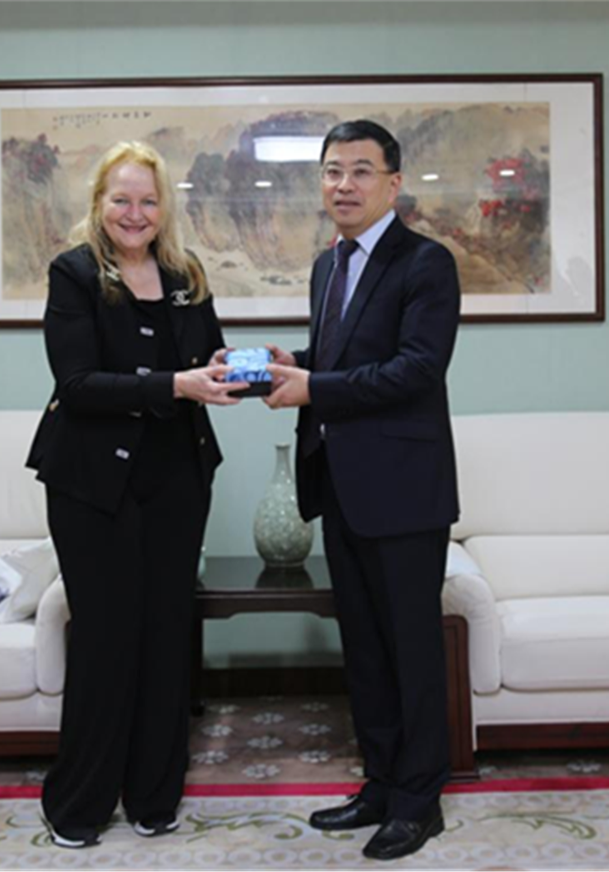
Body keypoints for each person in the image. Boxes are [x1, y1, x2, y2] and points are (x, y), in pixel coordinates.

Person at [25, 141, 245, 848]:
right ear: (99, 203)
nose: (134, 213)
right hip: (93, 486)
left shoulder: (186, 274)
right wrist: (176, 384)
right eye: (121, 199)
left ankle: (155, 796)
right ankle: (79, 804)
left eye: (148, 201)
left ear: (164, 208)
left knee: (166, 636)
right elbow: (78, 385)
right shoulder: (74, 274)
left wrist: (222, 371)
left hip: (177, 479)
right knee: (106, 640)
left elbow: (204, 356)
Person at [264, 120, 461, 862]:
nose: (342, 185)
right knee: (366, 652)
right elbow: (343, 358)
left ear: (392, 183)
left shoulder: (426, 263)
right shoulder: (329, 265)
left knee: (411, 652)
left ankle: (418, 801)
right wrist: (294, 364)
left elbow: (416, 369)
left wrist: (314, 386)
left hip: (404, 492)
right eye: (331, 171)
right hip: (341, 484)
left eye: (359, 171)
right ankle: (379, 784)